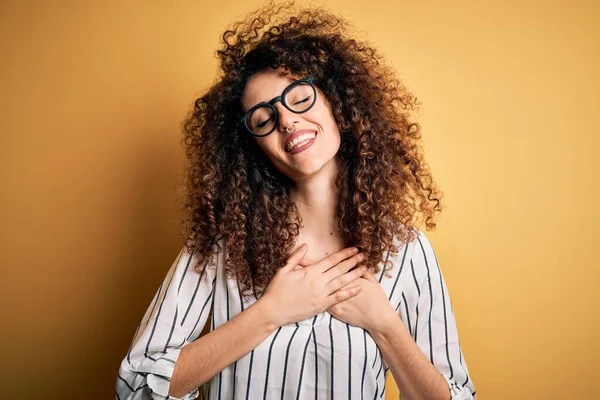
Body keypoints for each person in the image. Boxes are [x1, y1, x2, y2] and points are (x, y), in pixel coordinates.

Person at [116, 2, 476, 399]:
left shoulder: (406, 252)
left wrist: (384, 324)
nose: (286, 120)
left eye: (299, 97)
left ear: (336, 102)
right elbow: (135, 388)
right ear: (253, 147)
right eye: (263, 118)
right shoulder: (221, 246)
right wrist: (270, 313)